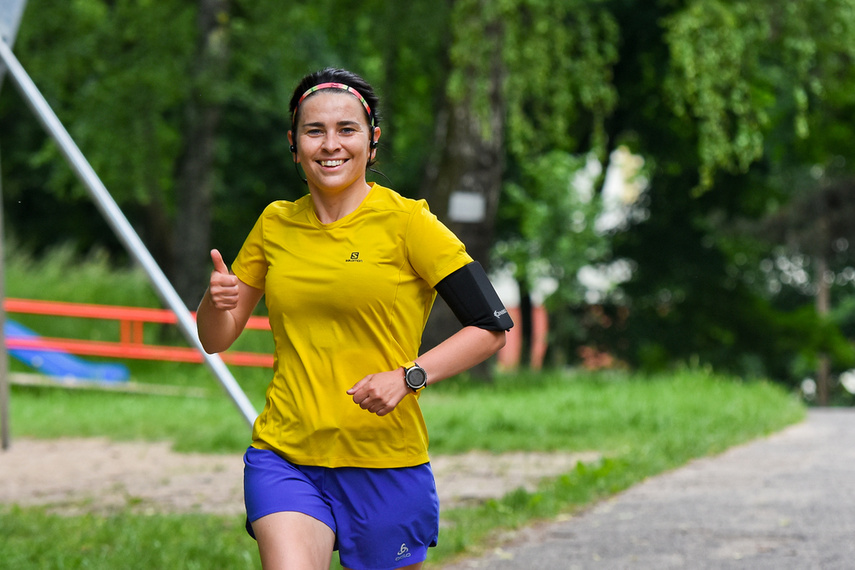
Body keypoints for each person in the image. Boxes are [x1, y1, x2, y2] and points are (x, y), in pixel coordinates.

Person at [196, 67, 513, 570]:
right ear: (294, 144)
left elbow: (491, 325)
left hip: (385, 461)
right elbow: (217, 339)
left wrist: (410, 378)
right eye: (313, 130)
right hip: (286, 455)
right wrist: (216, 302)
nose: (330, 145)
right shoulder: (274, 223)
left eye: (347, 129)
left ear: (372, 139)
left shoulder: (410, 223)